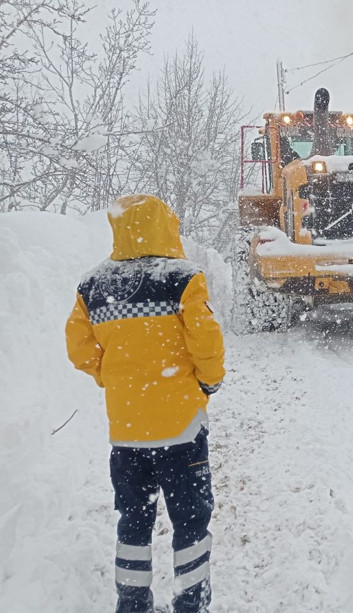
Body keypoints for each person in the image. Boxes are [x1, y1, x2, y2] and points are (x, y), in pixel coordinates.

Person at [65, 194, 225, 613]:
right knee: (190, 520)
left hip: (127, 429)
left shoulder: (92, 285)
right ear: (165, 227)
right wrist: (208, 382)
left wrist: (112, 376)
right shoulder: (183, 277)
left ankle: (132, 603)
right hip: (181, 428)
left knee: (132, 521)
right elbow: (205, 338)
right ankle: (191, 603)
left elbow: (79, 349)